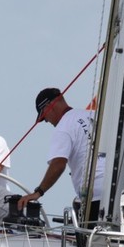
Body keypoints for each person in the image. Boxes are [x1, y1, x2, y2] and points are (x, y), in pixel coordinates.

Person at [17, 88, 105, 220]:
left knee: (92, 239)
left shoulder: (63, 127)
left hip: (95, 197)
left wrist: (38, 192)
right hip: (118, 189)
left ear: (48, 106)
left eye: (43, 116)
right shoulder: (93, 115)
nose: (46, 121)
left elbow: (58, 164)